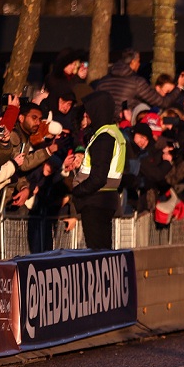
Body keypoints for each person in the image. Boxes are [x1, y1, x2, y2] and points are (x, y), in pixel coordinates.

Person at [68, 91, 126, 250]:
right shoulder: (113, 133)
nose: (86, 114)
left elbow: (99, 177)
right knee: (103, 250)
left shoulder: (104, 137)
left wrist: (78, 191)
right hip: (105, 198)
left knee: (97, 250)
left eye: (90, 110)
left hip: (96, 200)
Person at [92, 48, 184, 117]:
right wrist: (179, 87)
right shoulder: (136, 82)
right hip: (125, 126)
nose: (139, 64)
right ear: (133, 62)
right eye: (138, 61)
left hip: (103, 125)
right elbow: (163, 102)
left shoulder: (103, 81)